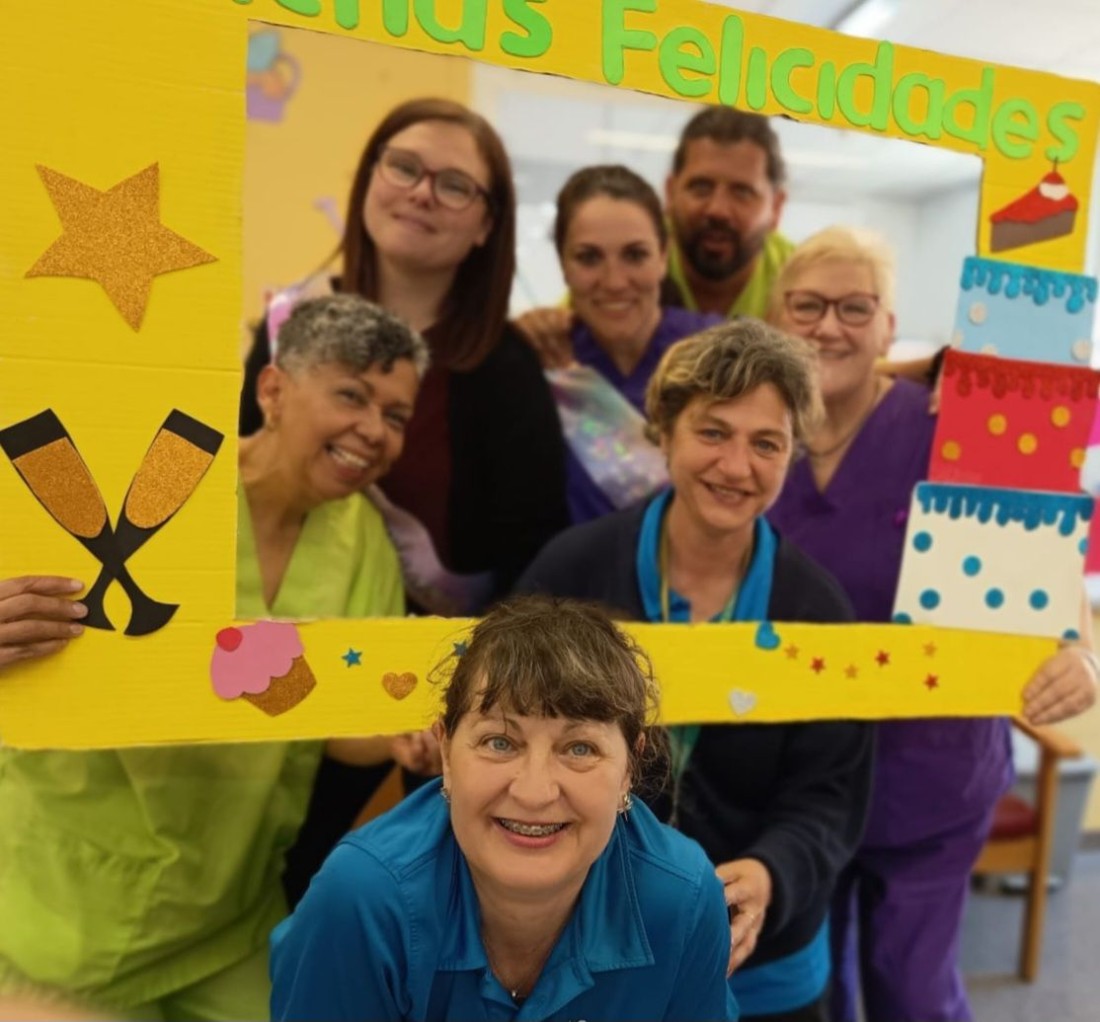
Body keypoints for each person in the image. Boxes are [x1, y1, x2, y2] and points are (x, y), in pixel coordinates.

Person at [0, 295, 428, 1020]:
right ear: (273, 390)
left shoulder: (364, 545)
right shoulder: (154, 474)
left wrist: (404, 736)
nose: (374, 430)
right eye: (352, 396)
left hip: (229, 913)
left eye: (396, 416)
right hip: (60, 898)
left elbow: (344, 725)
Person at [765, 226, 1099, 1022]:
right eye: (807, 306)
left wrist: (1081, 651)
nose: (829, 326)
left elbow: (1045, 562)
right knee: (812, 994)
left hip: (930, 772)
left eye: (856, 307)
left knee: (911, 992)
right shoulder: (753, 440)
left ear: (889, 327)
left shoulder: (952, 429)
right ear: (776, 320)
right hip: (793, 781)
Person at [517, 321, 873, 1022]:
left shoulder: (818, 612)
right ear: (665, 432)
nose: (736, 467)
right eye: (713, 432)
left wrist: (771, 873)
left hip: (761, 969)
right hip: (590, 948)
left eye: (766, 443)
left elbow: (830, 798)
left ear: (792, 454)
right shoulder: (570, 574)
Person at [270, 595, 737, 1022]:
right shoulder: (361, 901)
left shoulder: (684, 900)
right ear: (445, 752)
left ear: (630, 768)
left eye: (579, 749)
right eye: (499, 742)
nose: (534, 793)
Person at [239, 97, 567, 618]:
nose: (421, 193)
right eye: (404, 167)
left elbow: (534, 558)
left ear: (487, 224)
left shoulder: (508, 368)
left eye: (454, 185)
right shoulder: (291, 322)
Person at [522, 164, 720, 523]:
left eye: (634, 255)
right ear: (563, 265)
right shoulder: (540, 359)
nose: (614, 282)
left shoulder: (722, 355)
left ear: (664, 256)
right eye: (589, 257)